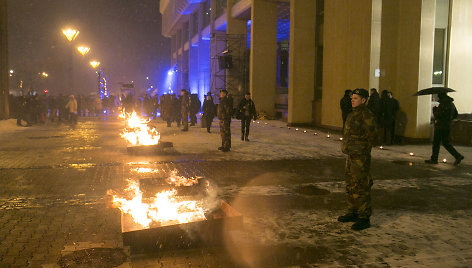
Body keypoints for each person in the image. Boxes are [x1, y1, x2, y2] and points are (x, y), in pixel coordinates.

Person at [339, 88, 377, 231]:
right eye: (352, 98)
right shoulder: (351, 115)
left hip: (360, 157)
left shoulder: (367, 116)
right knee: (350, 183)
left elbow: (372, 136)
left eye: (355, 98)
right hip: (350, 155)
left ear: (363, 100)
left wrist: (361, 150)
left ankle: (364, 216)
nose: (352, 100)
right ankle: (353, 211)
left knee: (361, 185)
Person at [425, 92, 464, 166]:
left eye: (438, 96)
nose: (438, 98)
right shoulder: (451, 104)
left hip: (440, 126)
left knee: (436, 143)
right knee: (446, 143)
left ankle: (434, 159)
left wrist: (435, 110)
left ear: (441, 96)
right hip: (447, 126)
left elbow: (438, 115)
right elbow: (456, 114)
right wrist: (449, 120)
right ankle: (457, 156)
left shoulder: (443, 104)